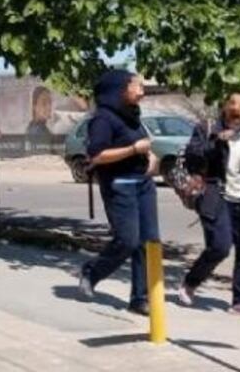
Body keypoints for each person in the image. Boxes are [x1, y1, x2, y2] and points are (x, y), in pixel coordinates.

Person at [178, 91, 240, 317]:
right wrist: (216, 142)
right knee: (220, 246)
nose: (237, 109)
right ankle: (190, 282)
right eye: (232, 103)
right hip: (215, 197)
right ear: (224, 107)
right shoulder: (207, 129)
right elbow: (193, 158)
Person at [77, 69, 159, 315]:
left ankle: (140, 298)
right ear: (120, 89)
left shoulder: (133, 115)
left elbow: (143, 144)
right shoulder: (103, 119)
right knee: (127, 240)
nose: (142, 92)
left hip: (143, 184)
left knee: (149, 241)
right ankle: (92, 272)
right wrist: (134, 149)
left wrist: (150, 156)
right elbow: (97, 155)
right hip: (119, 185)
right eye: (137, 86)